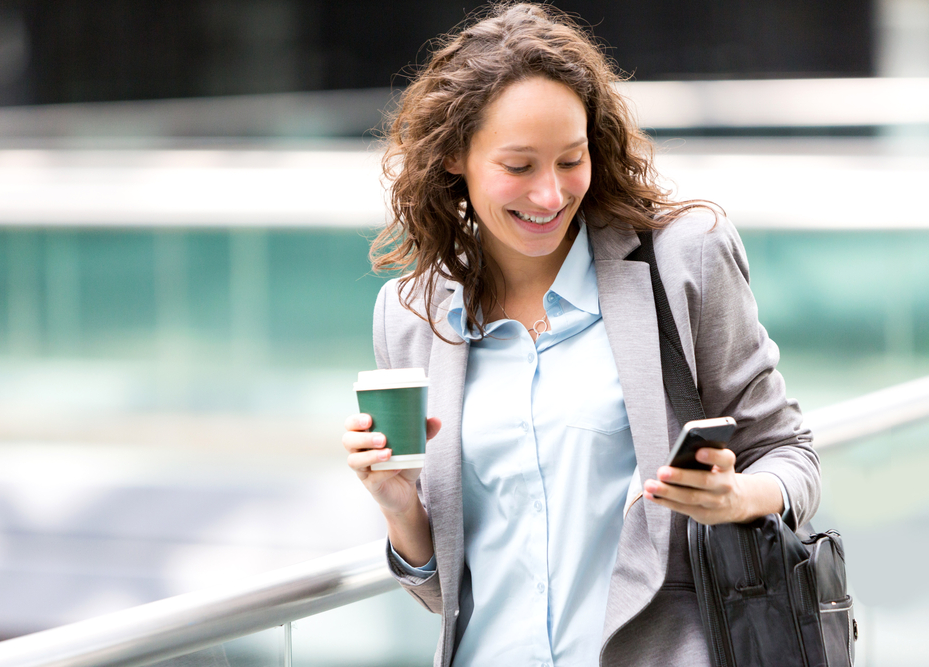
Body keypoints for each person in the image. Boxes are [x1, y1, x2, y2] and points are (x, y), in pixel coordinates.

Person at [341, 4, 820, 666]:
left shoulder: (685, 262)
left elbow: (792, 455)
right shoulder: (411, 314)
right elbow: (444, 590)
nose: (549, 195)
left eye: (571, 159)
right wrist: (399, 507)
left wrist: (737, 498)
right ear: (454, 157)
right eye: (518, 166)